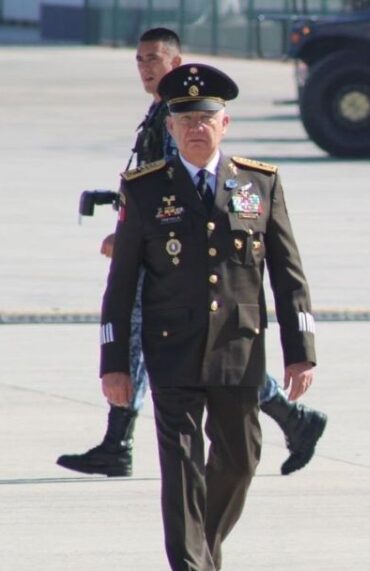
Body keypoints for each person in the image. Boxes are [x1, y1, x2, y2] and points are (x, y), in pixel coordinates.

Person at [58, 28, 327, 479]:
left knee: (194, 344)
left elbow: (179, 190)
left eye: (153, 59)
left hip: (176, 256)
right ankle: (120, 441)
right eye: (139, 60)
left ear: (175, 63)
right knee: (168, 340)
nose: (145, 68)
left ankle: (120, 442)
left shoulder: (180, 116)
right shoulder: (159, 114)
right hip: (158, 247)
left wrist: (134, 238)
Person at [99, 63, 319, 571]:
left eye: (205, 118)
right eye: (185, 119)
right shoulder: (145, 189)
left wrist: (301, 351)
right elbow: (120, 286)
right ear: (171, 127)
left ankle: (204, 549)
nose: (195, 128)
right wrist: (114, 365)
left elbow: (288, 275)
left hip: (239, 349)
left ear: (225, 123)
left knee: (240, 461)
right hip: (172, 349)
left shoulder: (259, 184)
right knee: (180, 470)